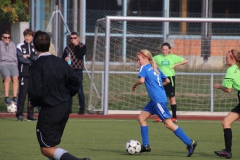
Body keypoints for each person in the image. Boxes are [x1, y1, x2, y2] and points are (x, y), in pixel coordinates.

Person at [28, 30, 90, 160]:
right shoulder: (60, 62)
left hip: (50, 110)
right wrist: (67, 94)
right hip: (65, 107)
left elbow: (36, 91)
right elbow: (75, 81)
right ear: (49, 44)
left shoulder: (36, 66)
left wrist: (32, 102)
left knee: (46, 148)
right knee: (52, 145)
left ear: (34, 46)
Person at [131, 49, 197, 157]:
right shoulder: (155, 68)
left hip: (158, 101)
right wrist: (158, 86)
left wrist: (134, 85)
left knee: (168, 124)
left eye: (139, 60)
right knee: (141, 118)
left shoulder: (144, 67)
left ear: (146, 59)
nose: (138, 62)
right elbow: (167, 81)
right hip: (156, 100)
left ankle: (190, 143)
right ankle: (146, 145)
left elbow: (142, 80)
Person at [214, 49, 240, 159]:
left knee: (226, 122)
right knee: (225, 122)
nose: (225, 59)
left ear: (233, 59)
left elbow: (228, 89)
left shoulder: (231, 70)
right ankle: (227, 151)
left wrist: (219, 86)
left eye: (227, 57)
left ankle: (228, 151)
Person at [153, 42, 188, 123]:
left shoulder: (173, 57)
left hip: (170, 78)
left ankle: (174, 117)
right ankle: (161, 116)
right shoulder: (157, 57)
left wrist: (175, 65)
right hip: (162, 79)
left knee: (171, 98)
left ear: (169, 50)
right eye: (163, 49)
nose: (164, 51)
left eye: (166, 49)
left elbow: (185, 61)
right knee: (161, 98)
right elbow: (150, 61)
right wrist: (156, 68)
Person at [15, 28, 38, 121]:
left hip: (33, 74)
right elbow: (21, 59)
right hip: (24, 74)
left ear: (32, 37)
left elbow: (36, 58)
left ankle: (30, 115)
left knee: (32, 96)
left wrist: (29, 56)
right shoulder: (20, 46)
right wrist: (30, 59)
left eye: (29, 36)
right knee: (22, 95)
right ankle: (19, 114)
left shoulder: (35, 46)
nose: (27, 37)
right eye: (26, 36)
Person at [62, 32, 86, 114]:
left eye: (74, 38)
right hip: (69, 70)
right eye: (71, 38)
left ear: (78, 38)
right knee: (69, 90)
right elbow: (62, 58)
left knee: (79, 90)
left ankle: (82, 109)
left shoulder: (82, 46)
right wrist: (65, 58)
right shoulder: (67, 47)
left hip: (78, 70)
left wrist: (76, 46)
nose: (73, 40)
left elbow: (80, 55)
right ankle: (69, 109)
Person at [0, 31, 19, 106]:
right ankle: (6, 97)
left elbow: (15, 55)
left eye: (9, 37)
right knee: (7, 78)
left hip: (13, 63)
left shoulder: (13, 44)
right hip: (4, 63)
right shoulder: (0, 44)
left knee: (15, 78)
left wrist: (16, 64)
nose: (7, 39)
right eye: (5, 37)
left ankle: (15, 97)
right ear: (2, 38)